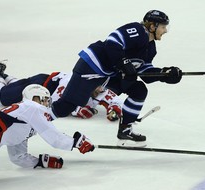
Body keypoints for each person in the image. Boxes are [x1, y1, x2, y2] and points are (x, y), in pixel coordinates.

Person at [49, 10, 183, 147]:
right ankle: (39, 119)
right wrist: (124, 63)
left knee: (138, 90)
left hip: (109, 75)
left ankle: (125, 130)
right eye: (163, 26)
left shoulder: (150, 48)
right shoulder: (137, 30)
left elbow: (144, 72)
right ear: (153, 26)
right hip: (91, 66)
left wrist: (164, 74)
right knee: (66, 107)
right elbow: (112, 42)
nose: (165, 30)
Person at [0, 60, 123, 121]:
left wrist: (114, 110)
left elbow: (114, 100)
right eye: (97, 86)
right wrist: (77, 110)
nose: (100, 90)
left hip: (42, 87)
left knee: (13, 87)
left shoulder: (99, 88)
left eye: (102, 86)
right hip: (39, 86)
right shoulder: (75, 82)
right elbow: (58, 101)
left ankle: (2, 77)